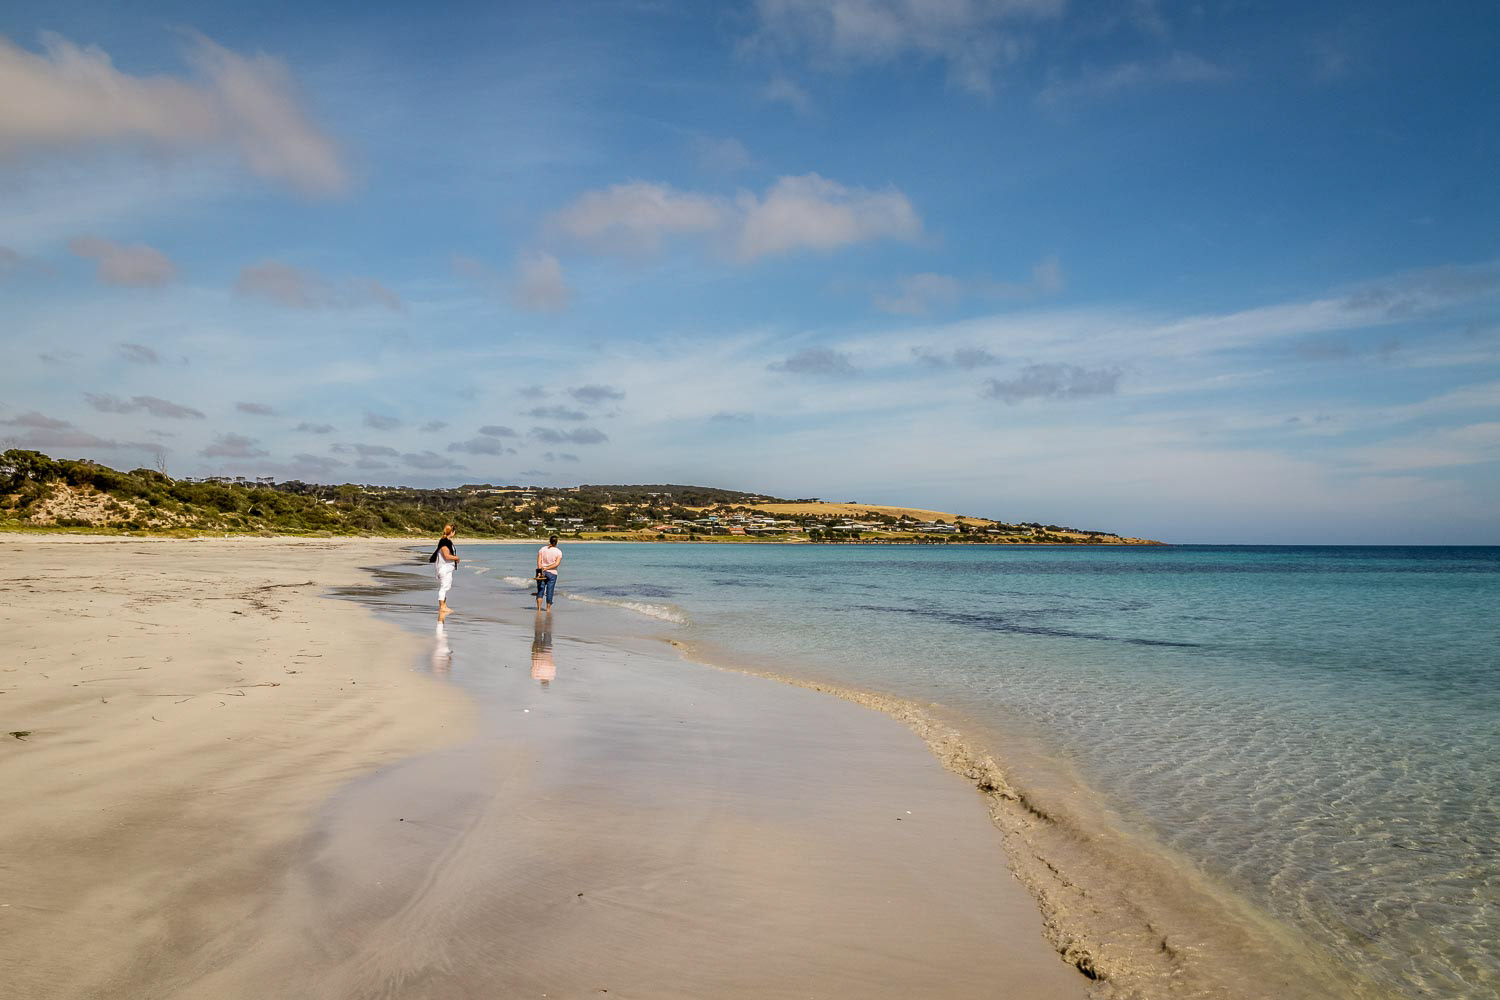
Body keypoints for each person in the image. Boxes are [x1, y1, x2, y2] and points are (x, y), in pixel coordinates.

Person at [432, 524, 459, 617]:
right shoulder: (444, 542)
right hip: (444, 568)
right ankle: (442, 607)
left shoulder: (447, 541)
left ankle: (444, 605)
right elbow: (446, 556)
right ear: (451, 532)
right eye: (454, 531)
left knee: (446, 586)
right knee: (444, 587)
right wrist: (456, 558)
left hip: (447, 567)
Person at [535, 534, 562, 611]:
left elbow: (539, 562)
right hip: (552, 573)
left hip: (541, 571)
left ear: (549, 541)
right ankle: (548, 609)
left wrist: (541, 571)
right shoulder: (558, 552)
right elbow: (557, 564)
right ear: (556, 542)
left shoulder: (542, 549)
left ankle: (539, 609)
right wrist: (547, 568)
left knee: (540, 590)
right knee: (550, 590)